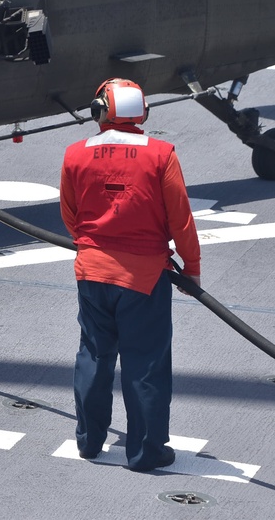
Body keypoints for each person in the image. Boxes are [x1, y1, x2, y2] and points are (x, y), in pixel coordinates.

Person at [59, 77, 201, 472]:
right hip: (145, 278)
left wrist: (93, 243)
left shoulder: (75, 154)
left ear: (99, 110)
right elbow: (181, 219)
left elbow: (71, 216)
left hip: (91, 272)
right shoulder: (161, 154)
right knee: (146, 363)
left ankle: (89, 441)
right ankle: (144, 452)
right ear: (142, 114)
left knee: (94, 354)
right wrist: (192, 268)